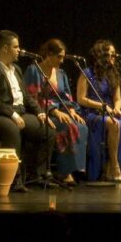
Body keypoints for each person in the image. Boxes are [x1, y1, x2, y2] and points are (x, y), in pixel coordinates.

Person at [0, 30, 56, 192]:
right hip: (0, 113)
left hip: (21, 112)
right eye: (16, 47)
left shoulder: (16, 69)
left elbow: (26, 96)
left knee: (48, 130)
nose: (19, 50)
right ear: (5, 48)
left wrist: (39, 112)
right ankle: (14, 181)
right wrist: (12, 114)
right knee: (12, 130)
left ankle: (36, 175)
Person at [23, 38, 89, 187]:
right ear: (49, 54)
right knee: (67, 127)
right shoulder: (34, 70)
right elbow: (32, 96)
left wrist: (71, 110)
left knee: (81, 125)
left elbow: (66, 96)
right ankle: (65, 172)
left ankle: (74, 168)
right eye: (58, 57)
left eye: (63, 57)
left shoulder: (61, 74)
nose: (61, 61)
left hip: (61, 111)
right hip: (42, 112)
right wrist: (54, 111)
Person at [76, 39, 121, 181]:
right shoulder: (87, 73)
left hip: (109, 111)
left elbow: (117, 99)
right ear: (101, 56)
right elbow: (81, 99)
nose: (113, 58)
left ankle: (108, 165)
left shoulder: (114, 75)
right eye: (110, 55)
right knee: (114, 124)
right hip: (91, 112)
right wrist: (102, 106)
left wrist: (117, 108)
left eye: (114, 55)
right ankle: (114, 165)